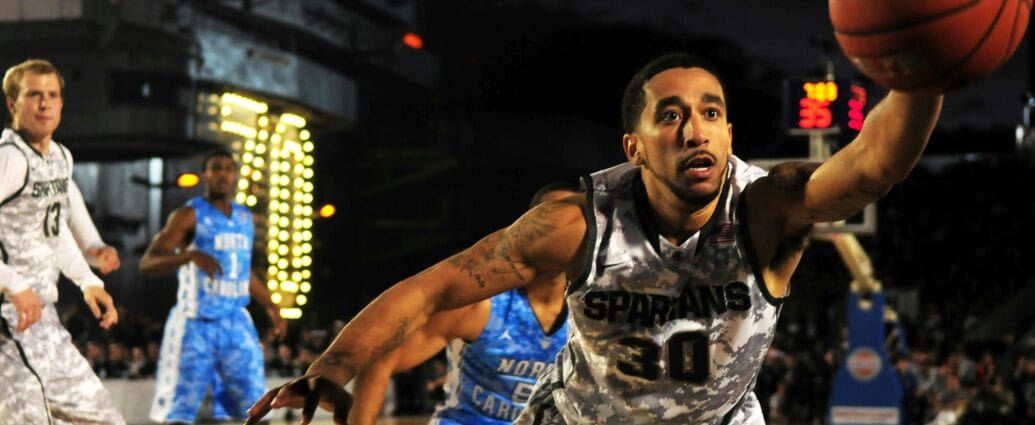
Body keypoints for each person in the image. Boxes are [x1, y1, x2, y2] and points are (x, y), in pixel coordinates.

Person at [246, 51, 943, 425]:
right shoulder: (577, 221)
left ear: (729, 134)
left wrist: (923, 71)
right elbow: (431, 289)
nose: (694, 128)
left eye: (710, 112)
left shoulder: (766, 207)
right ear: (633, 147)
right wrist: (330, 367)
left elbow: (872, 163)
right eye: (669, 115)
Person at [348, 182, 576, 425]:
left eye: (570, 222)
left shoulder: (593, 311)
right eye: (550, 219)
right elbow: (382, 359)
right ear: (525, 231)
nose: (559, 231)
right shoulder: (481, 304)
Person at [0, 58, 124, 423]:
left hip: (41, 322)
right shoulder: (9, 159)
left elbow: (55, 232)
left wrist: (88, 279)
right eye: (34, 95)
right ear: (12, 104)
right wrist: (13, 283)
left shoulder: (58, 157)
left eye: (52, 95)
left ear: (62, 104)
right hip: (6, 324)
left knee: (106, 419)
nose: (44, 103)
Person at [140, 149, 287, 424]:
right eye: (216, 168)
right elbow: (147, 263)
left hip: (235, 322)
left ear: (235, 175)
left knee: (257, 407)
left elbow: (245, 274)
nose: (223, 174)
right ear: (204, 175)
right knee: (180, 412)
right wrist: (188, 255)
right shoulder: (188, 215)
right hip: (196, 323)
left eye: (228, 169)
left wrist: (272, 305)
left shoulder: (245, 218)